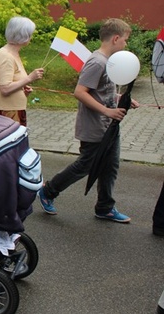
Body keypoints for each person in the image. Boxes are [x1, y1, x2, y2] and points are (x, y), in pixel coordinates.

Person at [37, 18, 138, 223]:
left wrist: (121, 100)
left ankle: (105, 207)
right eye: (125, 40)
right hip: (95, 126)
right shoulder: (97, 62)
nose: (126, 44)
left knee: (111, 166)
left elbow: (101, 92)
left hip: (109, 127)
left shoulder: (109, 62)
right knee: (85, 165)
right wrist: (107, 112)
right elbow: (80, 92)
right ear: (116, 38)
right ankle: (48, 191)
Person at [0, 16, 44, 126]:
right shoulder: (6, 57)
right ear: (24, 36)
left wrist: (22, 90)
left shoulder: (13, 54)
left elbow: (11, 83)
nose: (31, 37)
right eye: (30, 34)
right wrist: (30, 78)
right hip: (6, 112)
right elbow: (5, 88)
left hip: (12, 109)